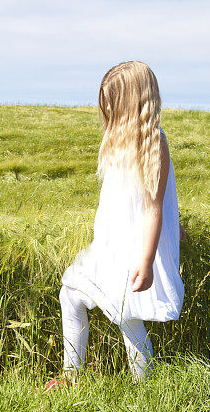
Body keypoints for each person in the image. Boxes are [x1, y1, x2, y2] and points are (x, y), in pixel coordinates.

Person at [44, 61, 186, 390]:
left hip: (135, 251)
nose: (105, 108)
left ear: (132, 102)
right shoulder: (117, 143)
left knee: (126, 316)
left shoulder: (154, 144)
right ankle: (72, 374)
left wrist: (147, 261)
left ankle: (143, 388)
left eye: (112, 101)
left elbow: (153, 208)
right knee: (71, 295)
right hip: (111, 245)